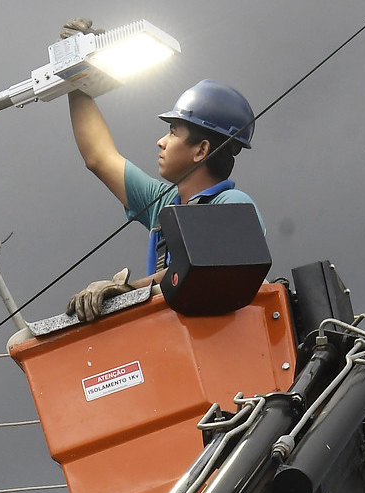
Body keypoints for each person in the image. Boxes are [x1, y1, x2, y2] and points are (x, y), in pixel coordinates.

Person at [60, 22, 261, 321]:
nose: (161, 142)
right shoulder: (164, 202)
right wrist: (78, 73)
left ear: (201, 150)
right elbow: (99, 157)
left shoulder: (233, 206)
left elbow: (199, 270)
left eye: (173, 133)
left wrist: (127, 290)